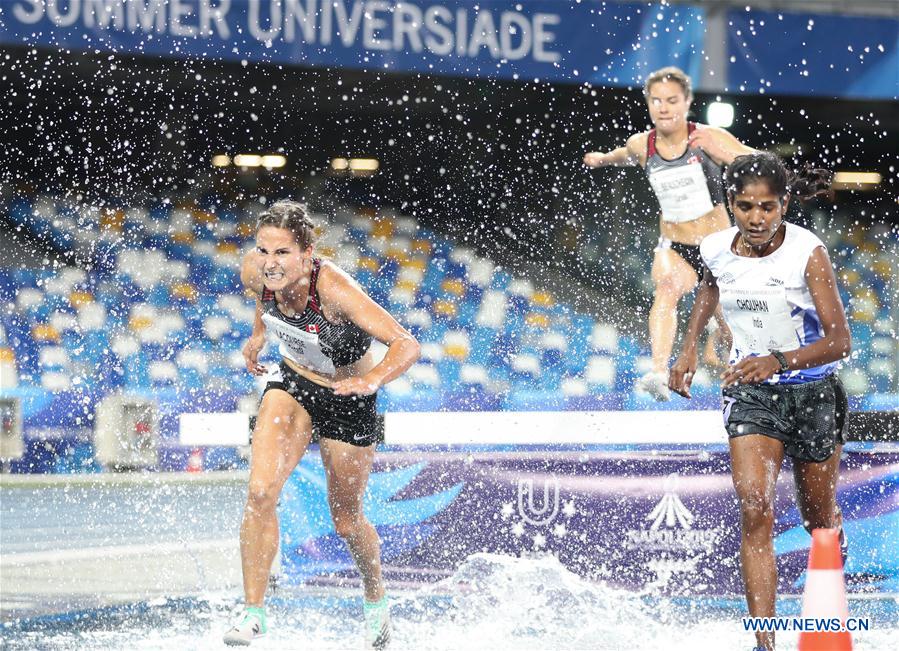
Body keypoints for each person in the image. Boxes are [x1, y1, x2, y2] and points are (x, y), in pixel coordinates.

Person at [668, 153, 850, 651]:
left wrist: (778, 359)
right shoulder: (715, 247)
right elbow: (710, 287)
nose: (756, 218)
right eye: (745, 207)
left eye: (767, 208)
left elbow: (840, 342)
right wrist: (687, 348)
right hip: (751, 393)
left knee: (817, 522)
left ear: (784, 204)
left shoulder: (807, 252)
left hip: (813, 393)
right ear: (730, 204)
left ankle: (831, 549)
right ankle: (763, 644)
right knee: (754, 507)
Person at [223, 200, 421, 648]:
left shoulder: (333, 289)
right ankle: (254, 613)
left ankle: (375, 597)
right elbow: (263, 300)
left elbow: (406, 346)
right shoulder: (256, 272)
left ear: (307, 253)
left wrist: (369, 381)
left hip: (346, 399)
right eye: (263, 251)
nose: (269, 264)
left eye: (282, 254)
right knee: (259, 492)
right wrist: (257, 336)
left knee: (347, 523)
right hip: (292, 384)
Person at [584, 65, 755, 400]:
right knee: (666, 288)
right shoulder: (641, 145)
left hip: (718, 247)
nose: (664, 107)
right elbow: (623, 156)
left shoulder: (706, 137)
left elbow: (756, 159)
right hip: (675, 243)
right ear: (648, 104)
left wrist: (725, 156)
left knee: (728, 323)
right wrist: (603, 159)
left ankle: (747, 381)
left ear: (687, 102)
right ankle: (659, 372)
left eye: (672, 100)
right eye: (657, 100)